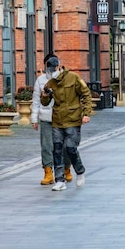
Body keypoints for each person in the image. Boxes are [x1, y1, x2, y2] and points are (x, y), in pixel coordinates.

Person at [40, 57, 93, 191]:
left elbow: (86, 94)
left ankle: (79, 171)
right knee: (57, 150)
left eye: (54, 69)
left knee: (70, 148)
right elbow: (45, 103)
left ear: (59, 66)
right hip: (57, 120)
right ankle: (59, 180)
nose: (52, 72)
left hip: (73, 119)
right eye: (50, 70)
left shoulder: (73, 78)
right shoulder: (51, 83)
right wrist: (44, 96)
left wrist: (86, 113)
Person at [31, 54, 72, 186]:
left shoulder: (66, 79)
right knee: (47, 146)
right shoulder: (41, 80)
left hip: (63, 118)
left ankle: (66, 168)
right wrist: (34, 119)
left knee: (65, 146)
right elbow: (36, 101)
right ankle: (48, 172)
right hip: (46, 117)